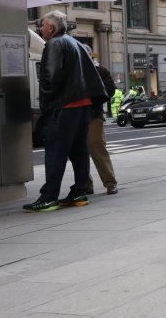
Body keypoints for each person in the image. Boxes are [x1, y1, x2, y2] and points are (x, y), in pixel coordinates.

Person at [24, 11, 107, 212]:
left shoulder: (54, 44)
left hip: (64, 106)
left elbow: (51, 77)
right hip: (82, 105)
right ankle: (79, 191)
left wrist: (47, 103)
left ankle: (49, 196)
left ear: (51, 28)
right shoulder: (76, 43)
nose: (40, 28)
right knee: (79, 151)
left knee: (55, 152)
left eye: (42, 25)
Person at [83, 45, 119, 195]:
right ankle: (85, 184)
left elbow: (109, 89)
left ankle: (110, 182)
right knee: (79, 151)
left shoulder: (101, 71)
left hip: (93, 114)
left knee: (96, 146)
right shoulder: (73, 71)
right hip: (75, 115)